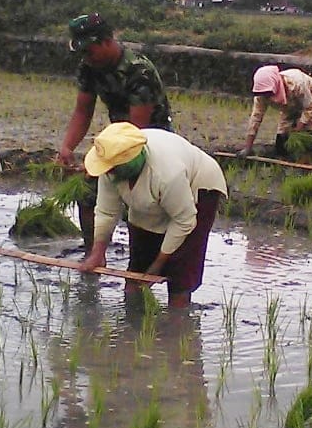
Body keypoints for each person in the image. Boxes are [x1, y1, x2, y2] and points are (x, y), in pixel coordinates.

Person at [57, 13, 173, 250]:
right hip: (117, 138)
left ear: (107, 41)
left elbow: (137, 130)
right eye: (81, 53)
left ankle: (141, 260)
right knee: (87, 193)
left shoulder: (138, 71)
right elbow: (83, 110)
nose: (86, 58)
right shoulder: (89, 68)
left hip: (151, 142)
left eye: (89, 51)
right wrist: (67, 147)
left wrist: (102, 164)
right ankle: (93, 252)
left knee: (139, 204)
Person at [79, 123, 227, 309]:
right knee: (137, 266)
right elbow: (106, 211)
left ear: (127, 164)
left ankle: (176, 327)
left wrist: (158, 263)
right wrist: (97, 253)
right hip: (155, 196)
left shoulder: (167, 174)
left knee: (179, 270)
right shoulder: (110, 167)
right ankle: (132, 323)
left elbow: (184, 221)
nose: (107, 172)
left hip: (198, 188)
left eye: (111, 169)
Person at [238, 65, 312, 161]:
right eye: (264, 94)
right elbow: (256, 119)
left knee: (308, 135)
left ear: (275, 84)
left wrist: (298, 128)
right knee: (282, 136)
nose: (267, 97)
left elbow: (310, 107)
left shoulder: (296, 84)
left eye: (269, 94)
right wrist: (248, 148)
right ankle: (283, 163)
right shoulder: (261, 95)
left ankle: (309, 164)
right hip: (289, 105)